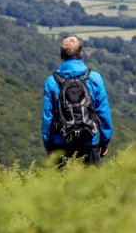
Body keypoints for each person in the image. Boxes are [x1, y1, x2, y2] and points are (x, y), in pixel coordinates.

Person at [42, 36, 112, 165]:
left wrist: (48, 147)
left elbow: (48, 118)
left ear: (61, 55)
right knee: (92, 184)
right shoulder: (94, 78)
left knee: (62, 184)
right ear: (81, 53)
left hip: (61, 143)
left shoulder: (51, 82)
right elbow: (103, 113)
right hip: (89, 141)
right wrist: (104, 142)